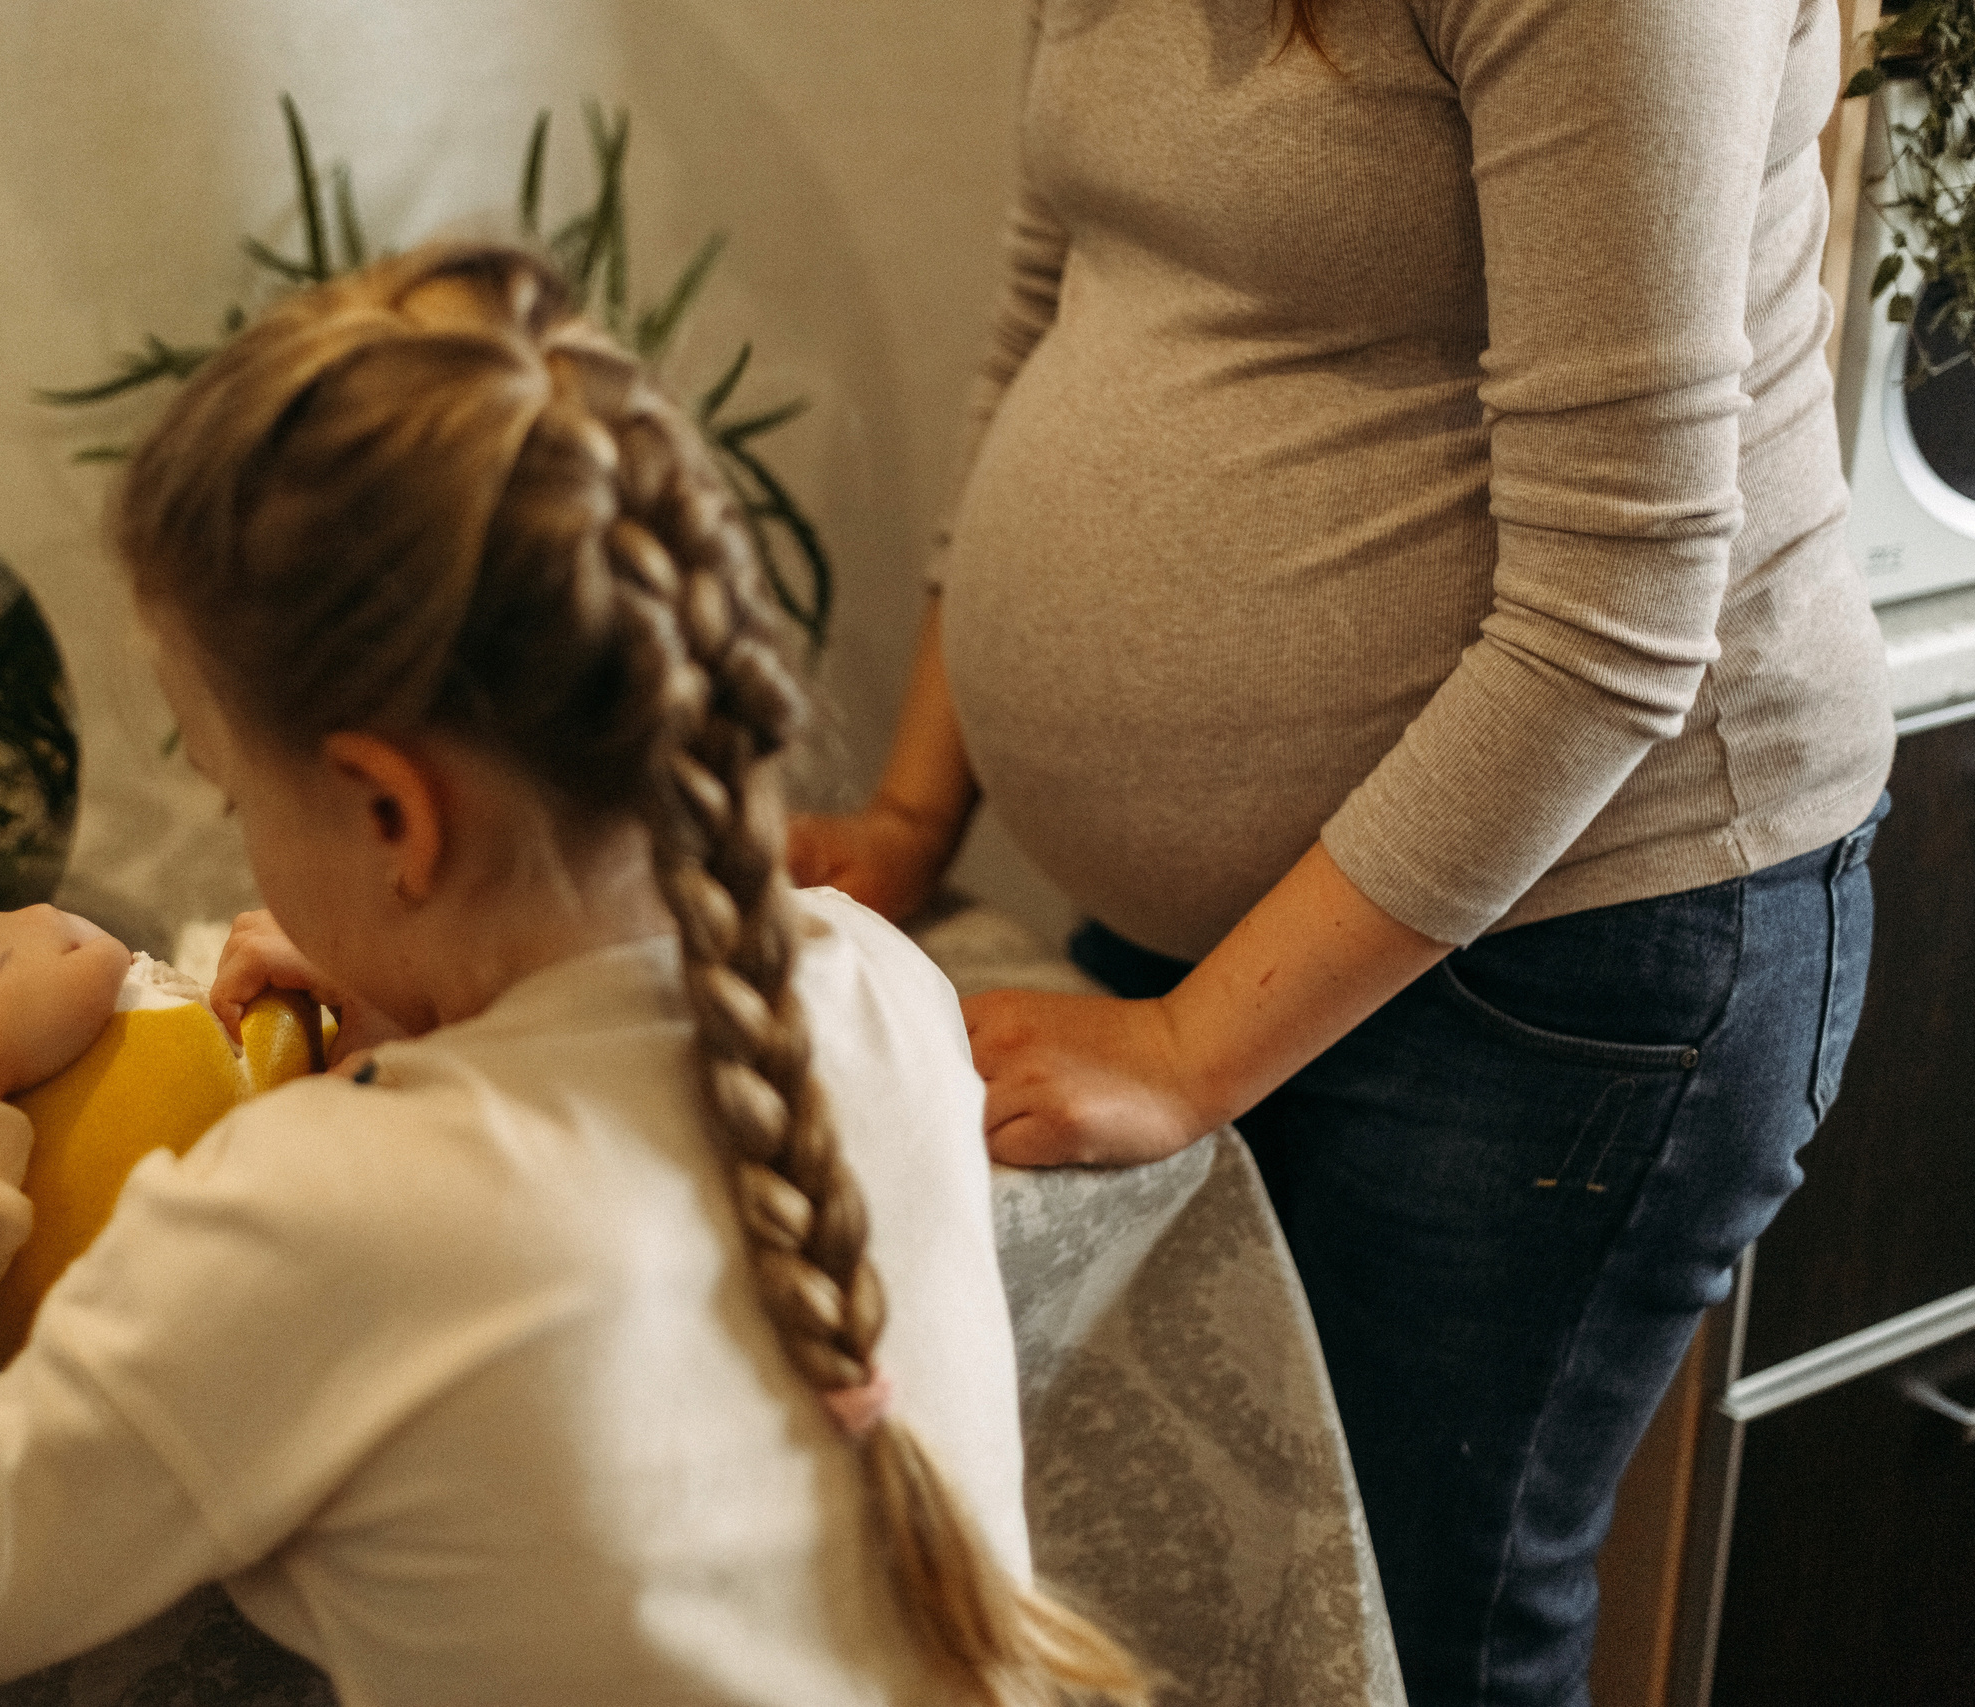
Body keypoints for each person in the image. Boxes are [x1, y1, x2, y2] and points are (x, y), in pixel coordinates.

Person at [0, 242, 1143, 1707]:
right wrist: (427, 995)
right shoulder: (882, 987)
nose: (242, 846)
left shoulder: (316, 1212)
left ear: (396, 813)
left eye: (235, 799)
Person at [792, 1, 1893, 1703]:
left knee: (1414, 1638)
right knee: (1172, 1592)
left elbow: (1616, 616)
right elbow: (1055, 306)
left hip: (1568, 946)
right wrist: (916, 812)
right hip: (1225, 935)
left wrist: (1181, 1053)